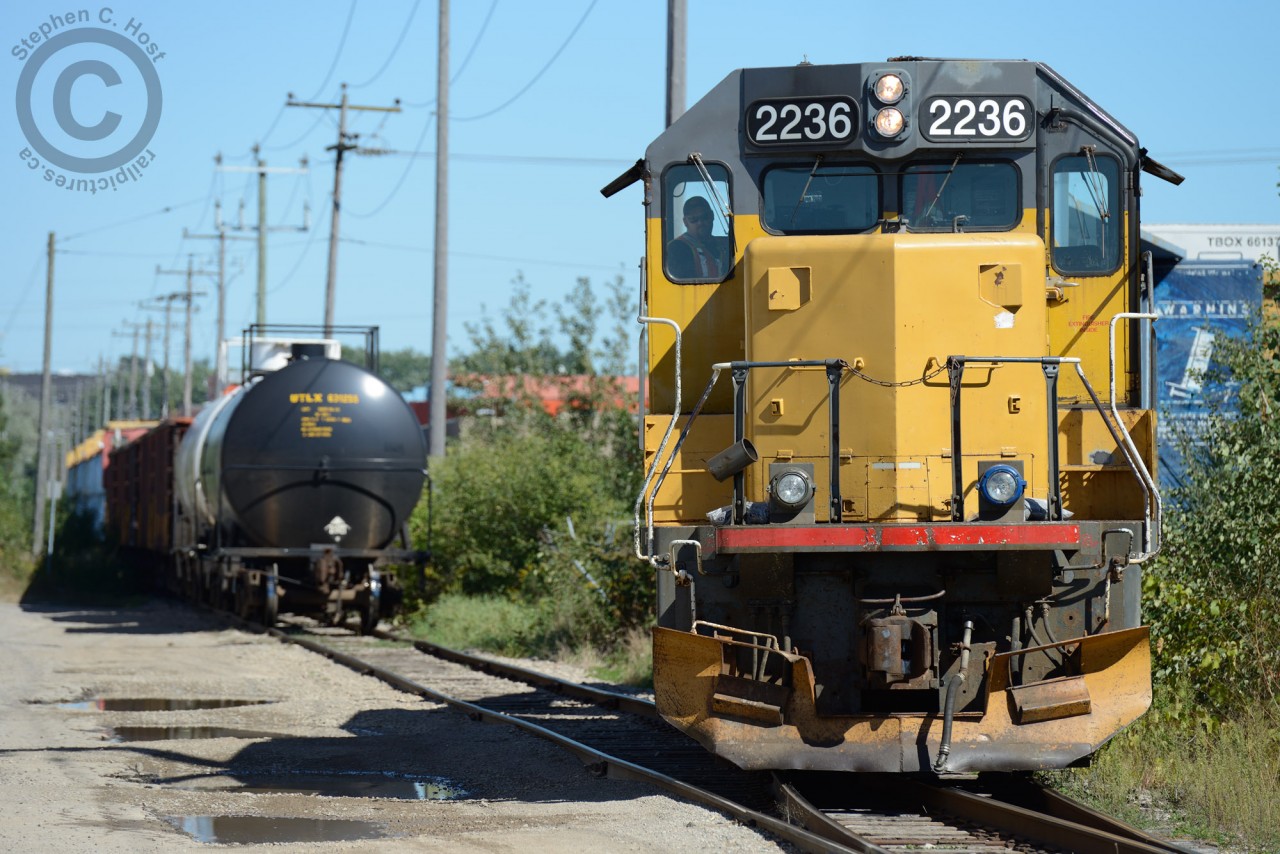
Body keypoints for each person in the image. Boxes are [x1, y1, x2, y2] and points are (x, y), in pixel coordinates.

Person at [667, 195, 729, 279]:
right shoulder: (676, 248)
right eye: (693, 219)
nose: (700, 222)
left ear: (712, 216)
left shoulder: (727, 244)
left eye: (705, 217)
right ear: (685, 222)